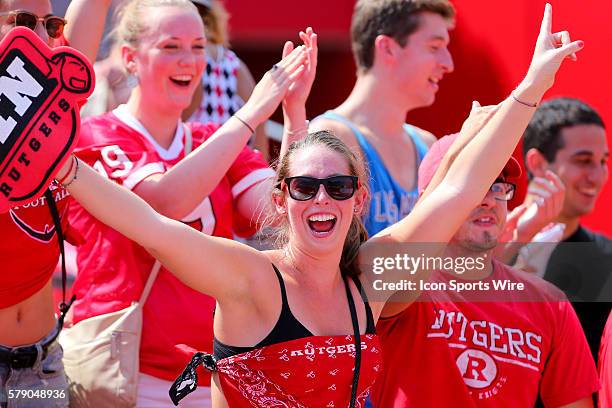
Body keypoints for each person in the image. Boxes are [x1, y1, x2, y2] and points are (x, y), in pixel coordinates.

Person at [53, 3, 581, 406]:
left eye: (339, 188)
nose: (322, 199)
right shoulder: (249, 279)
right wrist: (61, 163)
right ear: (282, 200)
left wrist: (532, 86)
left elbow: (459, 189)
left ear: (361, 200)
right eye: (305, 188)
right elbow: (150, 223)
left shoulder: (370, 281)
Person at [64, 0, 313, 406]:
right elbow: (163, 204)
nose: (189, 61)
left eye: (199, 47)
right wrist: (251, 113)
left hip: (209, 373)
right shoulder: (100, 134)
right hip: (126, 374)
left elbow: (286, 211)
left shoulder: (214, 140)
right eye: (171, 46)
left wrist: (294, 113)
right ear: (130, 58)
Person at [370, 132, 599, 407]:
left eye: (497, 186)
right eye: (474, 185)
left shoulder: (550, 304)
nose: (489, 200)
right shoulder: (396, 286)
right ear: (431, 201)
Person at [0, 1, 111, 407]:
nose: (44, 36)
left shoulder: (55, 95)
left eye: (53, 24)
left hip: (42, 363)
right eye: (25, 23)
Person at [310, 0, 454, 236]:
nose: (448, 64)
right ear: (387, 48)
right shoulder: (330, 138)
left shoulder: (427, 145)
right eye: (434, 47)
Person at [521, 97, 612, 360]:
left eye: (603, 161)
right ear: (537, 163)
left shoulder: (607, 260)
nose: (597, 176)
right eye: (583, 161)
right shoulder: (488, 252)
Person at [182, 0, 269, 161]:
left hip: (195, 176)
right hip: (239, 178)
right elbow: (260, 147)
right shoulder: (237, 66)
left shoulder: (183, 64)